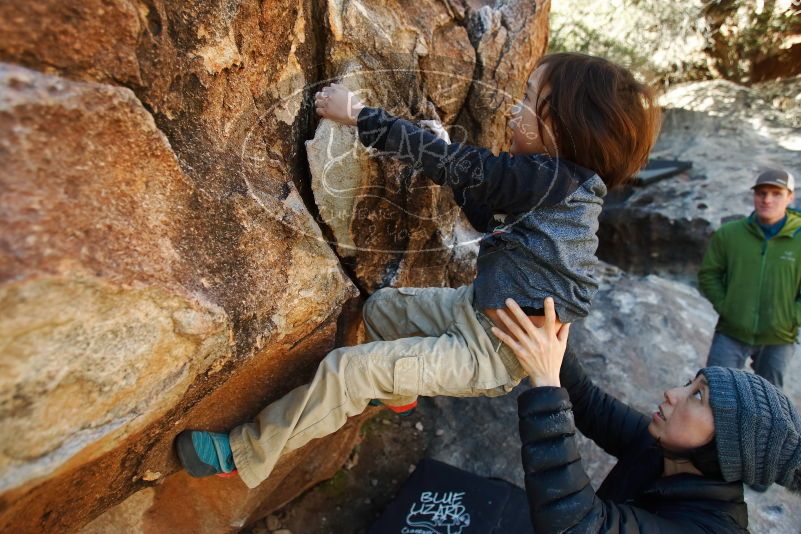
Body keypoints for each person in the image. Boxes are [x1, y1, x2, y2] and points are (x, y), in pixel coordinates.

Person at [174, 53, 661, 488]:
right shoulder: (557, 186)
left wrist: (360, 116)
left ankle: (242, 453)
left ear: (566, 127)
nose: (514, 108)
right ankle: (400, 392)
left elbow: (461, 168)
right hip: (475, 312)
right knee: (383, 309)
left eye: (530, 99)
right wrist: (447, 147)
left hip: (491, 353)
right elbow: (479, 202)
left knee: (349, 370)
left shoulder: (553, 177)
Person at [491, 297, 801, 532]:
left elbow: (579, 524)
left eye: (697, 395)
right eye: (688, 384)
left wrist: (546, 383)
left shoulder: (709, 527)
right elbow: (588, 403)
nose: (672, 394)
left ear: (730, 446)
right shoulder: (666, 451)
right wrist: (552, 332)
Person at [698, 168, 800, 388]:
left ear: (790, 196)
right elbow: (709, 274)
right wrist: (727, 307)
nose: (767, 200)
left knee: (770, 403)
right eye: (761, 193)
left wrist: (792, 317)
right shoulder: (730, 234)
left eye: (776, 194)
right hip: (731, 332)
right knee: (713, 391)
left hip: (779, 338)